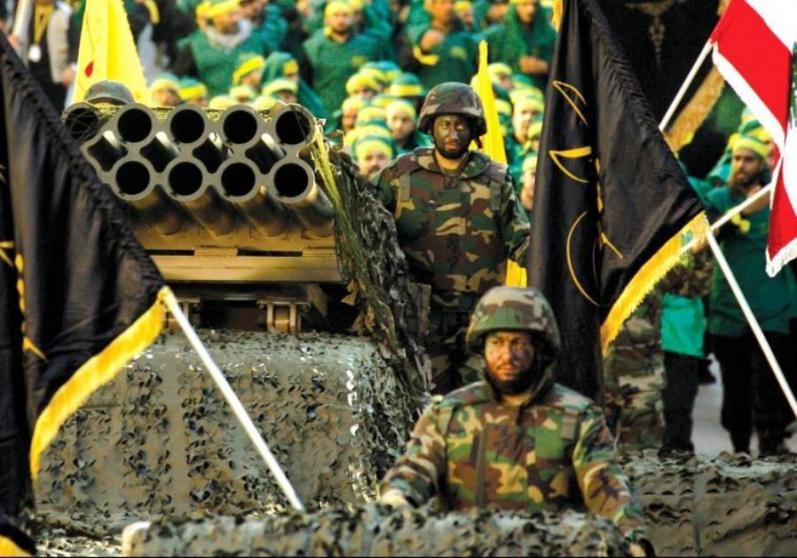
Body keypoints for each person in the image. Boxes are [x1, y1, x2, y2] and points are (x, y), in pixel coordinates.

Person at [379, 286, 653, 558]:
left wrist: (630, 538)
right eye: (497, 343)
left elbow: (606, 484)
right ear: (482, 347)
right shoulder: (450, 413)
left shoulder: (577, 416)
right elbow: (414, 470)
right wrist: (396, 500)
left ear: (539, 348)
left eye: (518, 343)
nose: (507, 355)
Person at [371, 82, 530, 393]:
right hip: (421, 318)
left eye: (461, 125)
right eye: (445, 124)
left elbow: (520, 240)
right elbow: (365, 225)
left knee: (481, 401)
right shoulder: (401, 175)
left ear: (474, 130)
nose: (453, 133)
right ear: (431, 127)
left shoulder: (496, 179)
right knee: (425, 403)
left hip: (480, 317)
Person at [704, 134, 797, 456]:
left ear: (762, 165)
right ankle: (740, 451)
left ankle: (771, 447)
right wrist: (743, 213)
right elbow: (708, 236)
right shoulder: (717, 199)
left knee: (770, 386)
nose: (741, 165)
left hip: (772, 310)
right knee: (735, 388)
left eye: (749, 159)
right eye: (736, 159)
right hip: (730, 310)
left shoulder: (781, 200)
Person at [300, 0, 388, 116]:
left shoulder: (369, 46)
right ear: (326, 19)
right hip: (324, 111)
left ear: (353, 18)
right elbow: (305, 82)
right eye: (336, 15)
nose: (341, 20)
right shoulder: (313, 47)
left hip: (361, 111)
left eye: (345, 15)